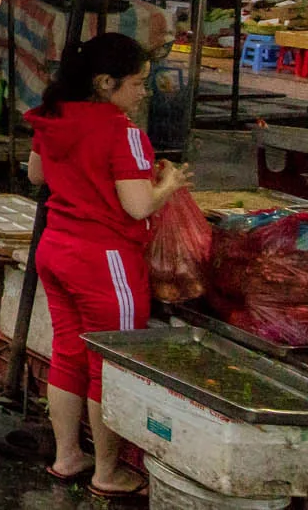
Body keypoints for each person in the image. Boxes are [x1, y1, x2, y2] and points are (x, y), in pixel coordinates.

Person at [27, 33, 189, 499]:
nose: (144, 92)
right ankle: (106, 471)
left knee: (68, 354)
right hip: (105, 261)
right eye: (137, 83)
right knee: (107, 364)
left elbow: (37, 175)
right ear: (105, 82)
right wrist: (169, 184)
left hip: (55, 250)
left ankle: (67, 456)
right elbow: (138, 207)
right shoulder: (124, 132)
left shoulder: (54, 116)